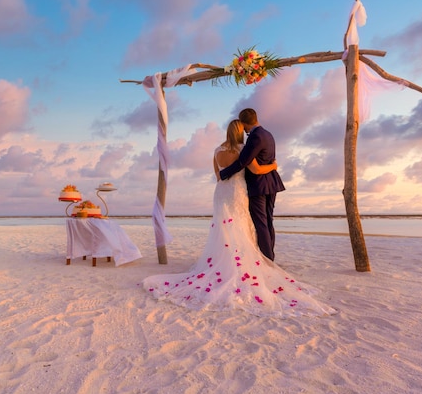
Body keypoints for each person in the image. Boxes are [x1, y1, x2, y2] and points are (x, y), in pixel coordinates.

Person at [142, 120, 336, 317]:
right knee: (241, 225)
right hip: (237, 191)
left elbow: (218, 176)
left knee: (222, 227)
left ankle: (221, 260)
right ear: (240, 133)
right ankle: (239, 261)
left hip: (221, 192)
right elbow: (255, 170)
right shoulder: (243, 150)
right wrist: (274, 165)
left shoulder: (217, 150)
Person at [220, 108, 285, 261]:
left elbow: (244, 161)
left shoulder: (255, 137)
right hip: (271, 183)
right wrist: (274, 166)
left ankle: (267, 259)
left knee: (261, 223)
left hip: (259, 185)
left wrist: (224, 174)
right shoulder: (268, 134)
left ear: (243, 124)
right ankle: (270, 256)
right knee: (268, 221)